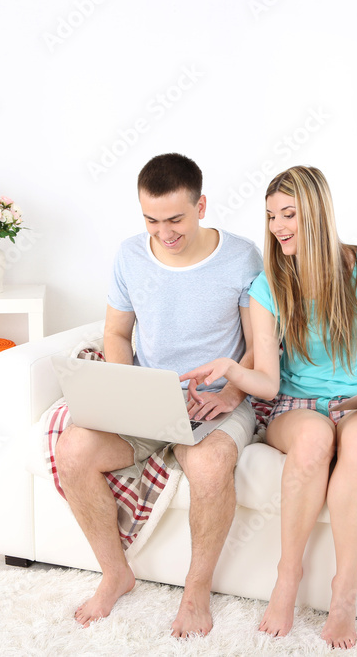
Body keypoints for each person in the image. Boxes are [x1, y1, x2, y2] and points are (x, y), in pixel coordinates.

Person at [181, 165, 357, 649]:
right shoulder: (268, 287)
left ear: (317, 212)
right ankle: (287, 578)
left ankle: (344, 591)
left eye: (288, 214)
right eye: (271, 216)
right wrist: (230, 367)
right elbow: (267, 383)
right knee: (314, 439)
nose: (278, 227)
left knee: (356, 440)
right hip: (297, 405)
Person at [54, 153, 263, 637]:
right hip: (146, 400)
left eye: (175, 219)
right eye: (151, 219)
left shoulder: (242, 256)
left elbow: (259, 346)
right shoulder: (130, 255)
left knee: (210, 466)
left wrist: (232, 391)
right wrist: (123, 388)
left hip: (213, 400)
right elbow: (116, 334)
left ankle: (196, 590)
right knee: (73, 449)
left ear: (201, 206)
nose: (164, 232)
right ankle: (116, 573)